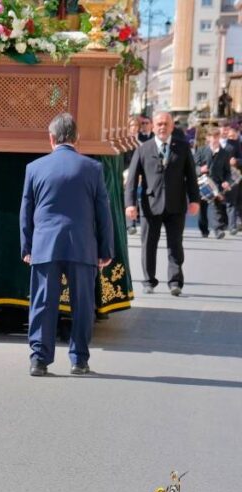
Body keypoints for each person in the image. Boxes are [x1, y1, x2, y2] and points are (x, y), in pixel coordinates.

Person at [20, 113, 114, 377]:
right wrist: (105, 250)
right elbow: (103, 213)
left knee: (42, 303)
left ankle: (39, 360)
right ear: (77, 138)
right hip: (82, 246)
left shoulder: (34, 168)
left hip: (45, 245)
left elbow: (26, 211)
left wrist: (27, 246)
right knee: (82, 304)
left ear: (51, 138)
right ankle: (79, 360)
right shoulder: (92, 168)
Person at [124, 112, 200, 296]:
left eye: (166, 124)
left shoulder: (182, 147)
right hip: (151, 205)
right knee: (148, 244)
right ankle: (149, 281)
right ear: (152, 126)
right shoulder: (143, 149)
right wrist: (130, 204)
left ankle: (175, 282)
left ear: (172, 126)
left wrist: (195, 200)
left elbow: (191, 176)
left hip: (176, 204)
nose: (162, 127)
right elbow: (132, 179)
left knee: (175, 244)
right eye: (159, 124)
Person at [193, 127, 231, 239]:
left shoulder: (224, 153)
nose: (214, 139)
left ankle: (218, 229)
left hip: (216, 185)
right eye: (212, 137)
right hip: (202, 183)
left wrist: (226, 181)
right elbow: (193, 166)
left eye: (216, 137)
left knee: (215, 207)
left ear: (219, 137)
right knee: (203, 210)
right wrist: (200, 169)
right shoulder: (201, 150)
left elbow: (227, 172)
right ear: (208, 138)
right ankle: (204, 229)